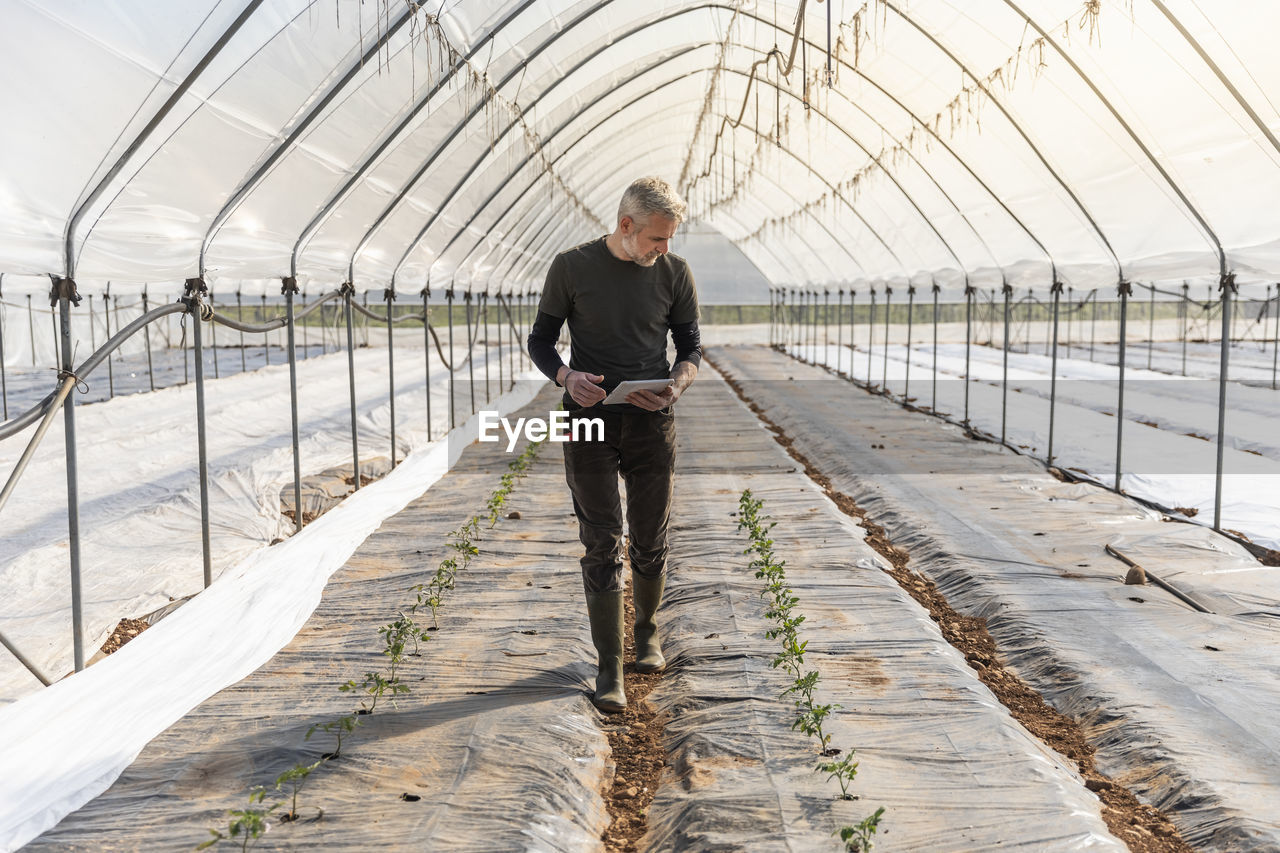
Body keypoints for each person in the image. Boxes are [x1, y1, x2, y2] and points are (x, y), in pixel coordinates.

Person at [526, 177, 701, 713]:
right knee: (601, 540)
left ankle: (646, 634)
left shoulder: (674, 273)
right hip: (589, 421)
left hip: (651, 421)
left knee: (650, 535)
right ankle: (609, 667)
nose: (664, 249)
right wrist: (564, 376)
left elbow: (690, 343)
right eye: (656, 238)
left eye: (670, 239)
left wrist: (678, 383)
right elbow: (540, 338)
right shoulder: (572, 267)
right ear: (626, 226)